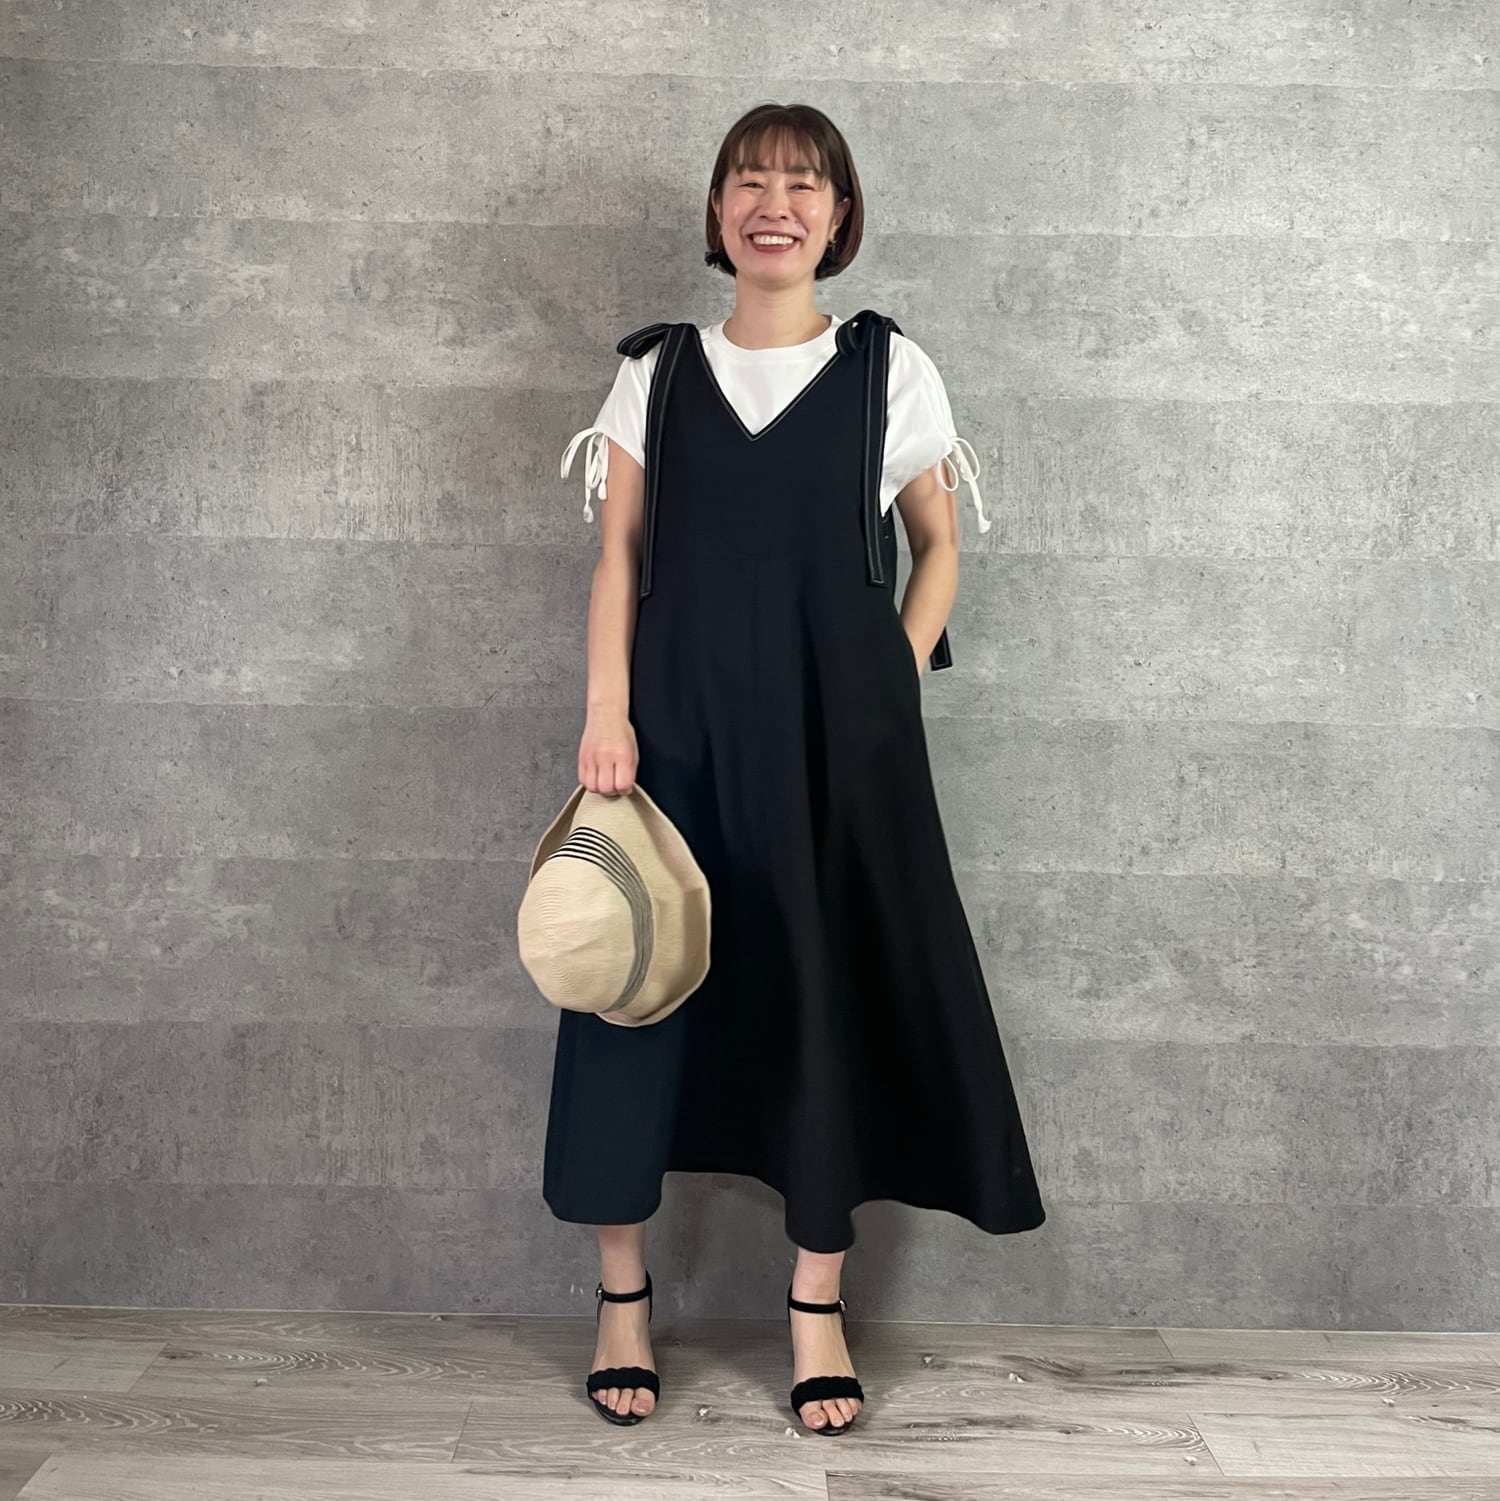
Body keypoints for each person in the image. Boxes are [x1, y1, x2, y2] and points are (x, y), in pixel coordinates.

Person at [549, 102, 1046, 1435]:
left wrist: (893, 677)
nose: (776, 203)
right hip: (673, 736)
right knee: (631, 991)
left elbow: (939, 543)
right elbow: (619, 556)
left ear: (840, 215)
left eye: (804, 184)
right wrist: (607, 714)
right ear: (718, 214)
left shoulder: (890, 369)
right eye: (750, 182)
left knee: (825, 997)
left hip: (840, 747)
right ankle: (621, 1296)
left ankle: (814, 1306)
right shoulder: (657, 372)